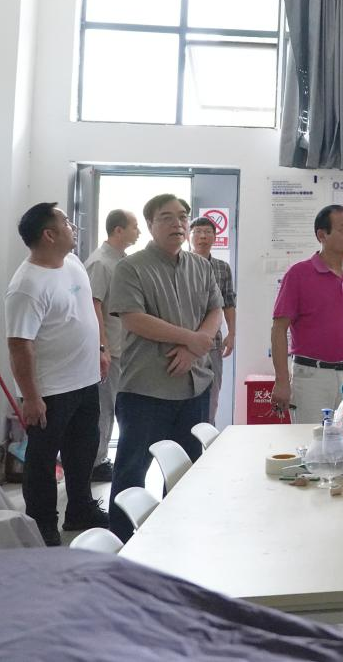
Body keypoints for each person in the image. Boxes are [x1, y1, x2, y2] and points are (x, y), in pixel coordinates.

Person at [107, 194, 223, 542]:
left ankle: (177, 539)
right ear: (149, 224)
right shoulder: (130, 267)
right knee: (131, 471)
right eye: (166, 217)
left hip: (194, 385)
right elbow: (133, 318)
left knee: (186, 471)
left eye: (183, 217)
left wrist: (194, 346)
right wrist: (191, 339)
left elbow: (215, 309)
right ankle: (123, 544)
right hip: (146, 388)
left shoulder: (201, 266)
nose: (178, 224)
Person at [4, 203, 110, 546]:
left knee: (83, 451)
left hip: (85, 379)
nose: (72, 226)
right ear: (49, 234)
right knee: (42, 460)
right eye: (66, 222)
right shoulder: (26, 286)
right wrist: (31, 397)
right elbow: (20, 346)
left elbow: (88, 309)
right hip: (49, 390)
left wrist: (101, 349)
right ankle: (43, 526)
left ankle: (80, 509)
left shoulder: (73, 262)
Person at [271, 205, 343, 422]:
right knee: (312, 438)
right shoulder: (298, 274)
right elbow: (279, 329)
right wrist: (281, 380)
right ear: (322, 235)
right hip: (312, 377)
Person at [83, 208, 140, 483]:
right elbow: (93, 305)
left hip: (122, 348)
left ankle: (101, 458)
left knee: (115, 406)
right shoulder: (101, 262)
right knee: (104, 407)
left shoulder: (121, 261)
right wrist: (102, 348)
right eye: (134, 226)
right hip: (110, 350)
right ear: (118, 230)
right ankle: (95, 462)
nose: (138, 232)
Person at [189, 216, 236, 423]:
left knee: (212, 396)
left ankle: (207, 437)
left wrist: (231, 334)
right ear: (189, 237)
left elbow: (229, 302)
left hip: (213, 343)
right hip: (185, 342)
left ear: (215, 237)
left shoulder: (222, 268)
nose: (203, 236)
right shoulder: (180, 264)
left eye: (208, 232)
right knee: (186, 395)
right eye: (198, 232)